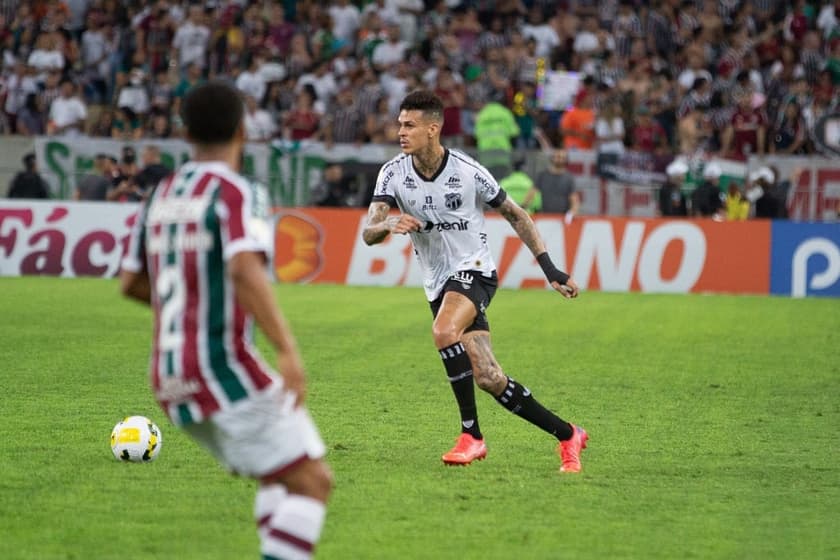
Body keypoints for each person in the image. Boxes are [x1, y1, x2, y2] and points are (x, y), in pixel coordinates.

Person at [119, 81, 332, 559]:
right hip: (222, 366)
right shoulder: (236, 193)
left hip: (168, 374)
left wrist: (193, 306)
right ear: (242, 130)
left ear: (186, 132)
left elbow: (131, 282)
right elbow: (242, 268)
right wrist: (287, 350)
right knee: (314, 481)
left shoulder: (160, 195)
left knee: (281, 474)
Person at [362, 90, 588, 473]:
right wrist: (386, 224)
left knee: (443, 330)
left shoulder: (467, 171)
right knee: (488, 376)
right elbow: (369, 232)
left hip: (475, 271)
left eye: (409, 125)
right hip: (437, 282)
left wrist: (550, 269)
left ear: (433, 129)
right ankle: (568, 435)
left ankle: (472, 437)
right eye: (400, 124)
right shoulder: (392, 173)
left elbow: (517, 215)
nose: (400, 132)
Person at [522, 149, 580, 224]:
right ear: (552, 158)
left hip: (562, 219)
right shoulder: (543, 175)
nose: (559, 159)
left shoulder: (569, 179)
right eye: (557, 156)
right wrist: (522, 208)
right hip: (545, 217)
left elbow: (574, 200)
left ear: (566, 160)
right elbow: (531, 193)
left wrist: (571, 213)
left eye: (562, 157)